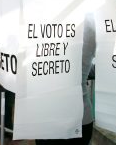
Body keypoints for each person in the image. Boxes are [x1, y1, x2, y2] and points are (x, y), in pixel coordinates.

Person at [35, 13, 96, 145]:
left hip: (48, 118)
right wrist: (83, 70)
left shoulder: (38, 24)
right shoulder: (91, 23)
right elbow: (105, 66)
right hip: (81, 118)